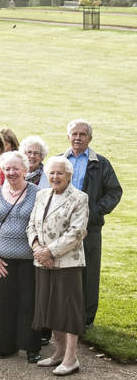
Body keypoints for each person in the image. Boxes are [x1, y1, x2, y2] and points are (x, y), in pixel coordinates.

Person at [28, 156, 90, 376]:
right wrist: (37, 248)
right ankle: (58, 353)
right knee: (51, 308)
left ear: (69, 175)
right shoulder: (41, 195)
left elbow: (77, 232)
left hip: (67, 263)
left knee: (69, 310)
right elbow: (31, 225)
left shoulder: (79, 198)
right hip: (43, 261)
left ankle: (71, 358)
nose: (55, 177)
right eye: (52, 173)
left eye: (60, 173)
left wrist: (50, 251)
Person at [62, 119, 122, 328]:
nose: (78, 138)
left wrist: (94, 211)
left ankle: (85, 321)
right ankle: (63, 316)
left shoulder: (100, 163)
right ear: (68, 136)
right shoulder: (61, 160)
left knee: (88, 274)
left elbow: (115, 191)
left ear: (90, 138)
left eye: (82, 134)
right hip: (62, 228)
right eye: (74, 134)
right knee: (63, 272)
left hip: (90, 228)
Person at [0, 150, 40, 362]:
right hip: (2, 260)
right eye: (7, 168)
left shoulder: (37, 193)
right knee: (5, 303)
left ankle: (32, 348)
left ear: (25, 170)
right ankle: (7, 346)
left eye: (15, 168)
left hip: (30, 259)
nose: (11, 172)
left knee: (29, 303)